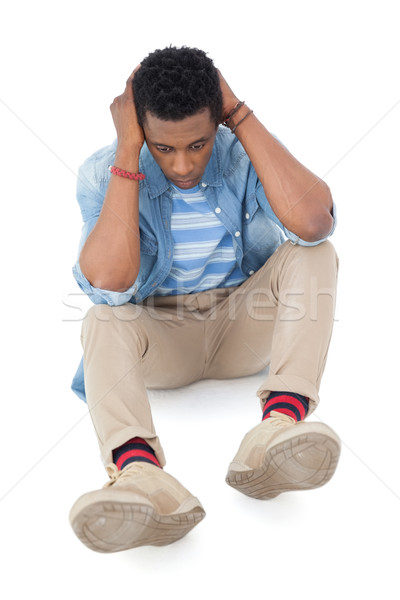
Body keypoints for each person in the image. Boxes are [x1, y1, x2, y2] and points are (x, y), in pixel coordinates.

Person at [69, 46, 340, 553]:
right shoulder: (103, 170)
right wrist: (128, 152)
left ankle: (276, 430)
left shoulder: (242, 152)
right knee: (101, 319)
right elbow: (108, 284)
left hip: (244, 323)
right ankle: (141, 479)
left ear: (216, 123)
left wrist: (238, 113)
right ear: (142, 131)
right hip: (162, 342)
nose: (184, 164)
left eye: (198, 144)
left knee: (315, 254)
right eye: (164, 148)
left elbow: (312, 223)